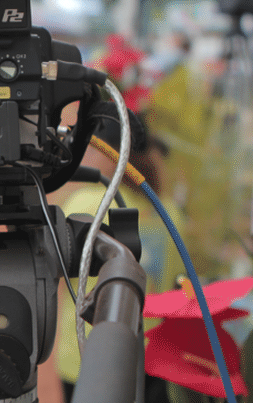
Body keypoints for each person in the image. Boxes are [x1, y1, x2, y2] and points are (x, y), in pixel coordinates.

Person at [51, 102, 181, 403]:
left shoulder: (84, 203)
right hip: (148, 357)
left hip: (86, 358)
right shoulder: (167, 212)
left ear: (108, 154)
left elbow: (56, 282)